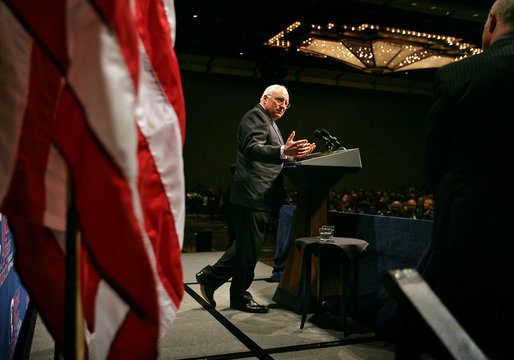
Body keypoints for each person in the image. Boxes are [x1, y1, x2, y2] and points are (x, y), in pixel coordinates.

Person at [399, 1, 514, 357]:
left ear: (492, 20)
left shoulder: (459, 75)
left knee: (463, 334)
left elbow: (434, 160)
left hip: (467, 230)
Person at [195, 85, 315, 313]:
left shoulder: (270, 123)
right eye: (279, 100)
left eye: (286, 103)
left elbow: (272, 155)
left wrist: (293, 155)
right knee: (248, 248)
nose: (283, 106)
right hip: (253, 194)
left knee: (246, 247)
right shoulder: (255, 116)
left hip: (259, 195)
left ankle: (217, 281)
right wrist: (282, 151)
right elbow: (252, 148)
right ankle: (230, 290)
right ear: (265, 98)